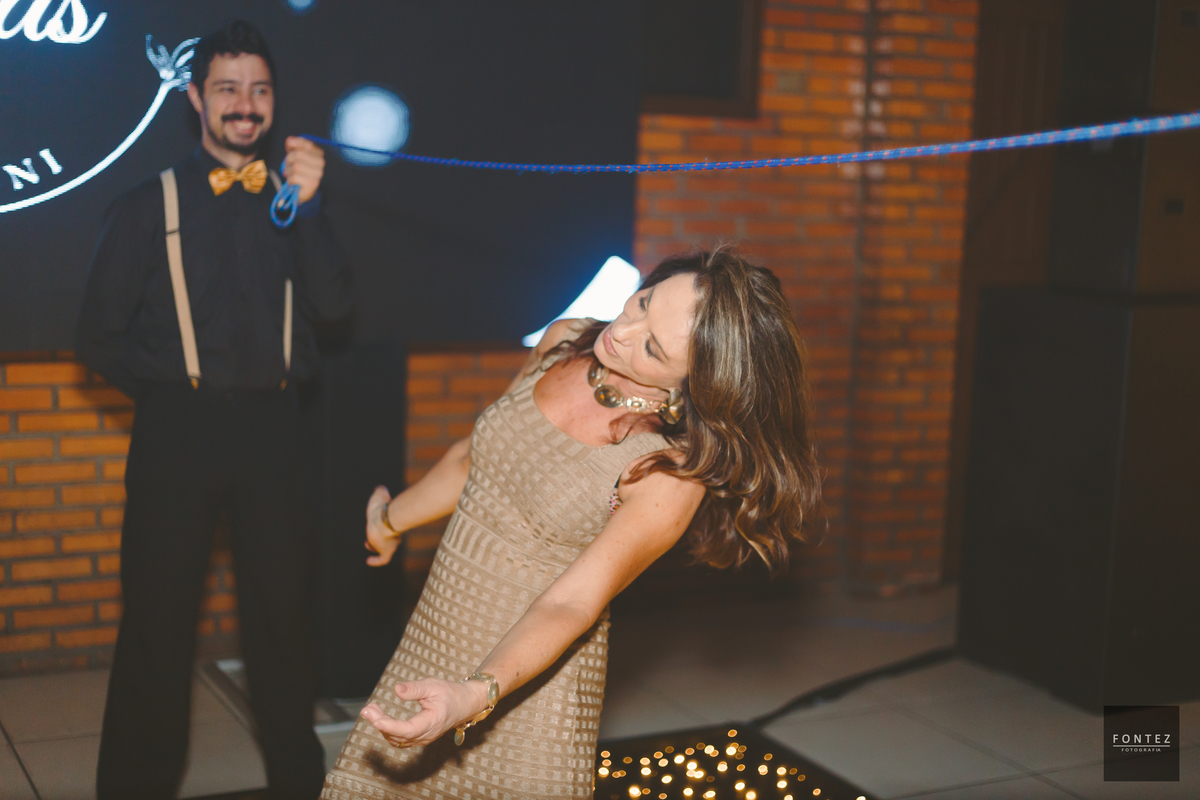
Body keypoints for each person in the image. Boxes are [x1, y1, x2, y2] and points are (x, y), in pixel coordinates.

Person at [321, 248, 821, 799]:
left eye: (652, 348)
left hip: (531, 689)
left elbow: (572, 603)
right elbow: (474, 459)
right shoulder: (564, 341)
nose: (622, 331)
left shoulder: (667, 473)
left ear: (693, 385)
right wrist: (390, 521)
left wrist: (473, 695)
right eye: (643, 303)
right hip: (432, 639)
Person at [76, 20, 352, 800]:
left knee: (283, 631)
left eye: (259, 89)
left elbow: (336, 308)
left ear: (273, 101)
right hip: (179, 432)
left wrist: (312, 210)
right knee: (156, 632)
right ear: (196, 98)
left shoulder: (296, 202)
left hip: (275, 434)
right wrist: (171, 393)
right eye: (227, 88)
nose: (244, 104)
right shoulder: (146, 205)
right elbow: (97, 335)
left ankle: (298, 787)